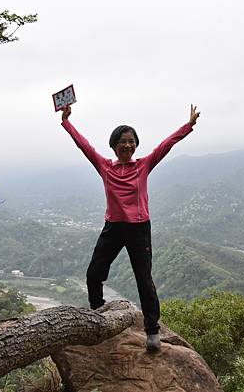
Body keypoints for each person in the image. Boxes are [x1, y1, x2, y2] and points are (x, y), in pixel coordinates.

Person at [59, 103, 200, 352]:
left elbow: (166, 145)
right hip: (113, 226)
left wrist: (188, 126)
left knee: (144, 279)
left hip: (138, 228)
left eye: (131, 141)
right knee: (94, 273)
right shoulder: (105, 167)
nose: (127, 145)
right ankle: (98, 315)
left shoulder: (143, 165)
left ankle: (152, 331)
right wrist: (67, 122)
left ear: (136, 145)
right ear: (114, 146)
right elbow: (84, 146)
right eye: (122, 141)